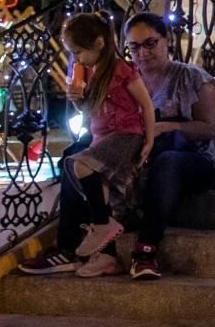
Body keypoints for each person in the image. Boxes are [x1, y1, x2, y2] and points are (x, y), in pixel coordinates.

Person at [18, 14, 156, 279]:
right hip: (102, 136)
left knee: (78, 163)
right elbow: (92, 110)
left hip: (126, 135)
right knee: (97, 187)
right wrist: (77, 101)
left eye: (79, 52)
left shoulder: (122, 69)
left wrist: (149, 139)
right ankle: (105, 255)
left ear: (99, 43)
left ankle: (102, 225)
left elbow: (146, 105)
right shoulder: (89, 73)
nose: (77, 59)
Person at [117, 12, 215, 281]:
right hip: (140, 157)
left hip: (191, 161)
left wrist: (165, 127)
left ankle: (145, 251)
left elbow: (208, 128)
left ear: (167, 40)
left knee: (168, 161)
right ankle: (71, 246)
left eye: (150, 43)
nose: (143, 53)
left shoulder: (191, 77)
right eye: (134, 47)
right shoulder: (124, 83)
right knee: (75, 156)